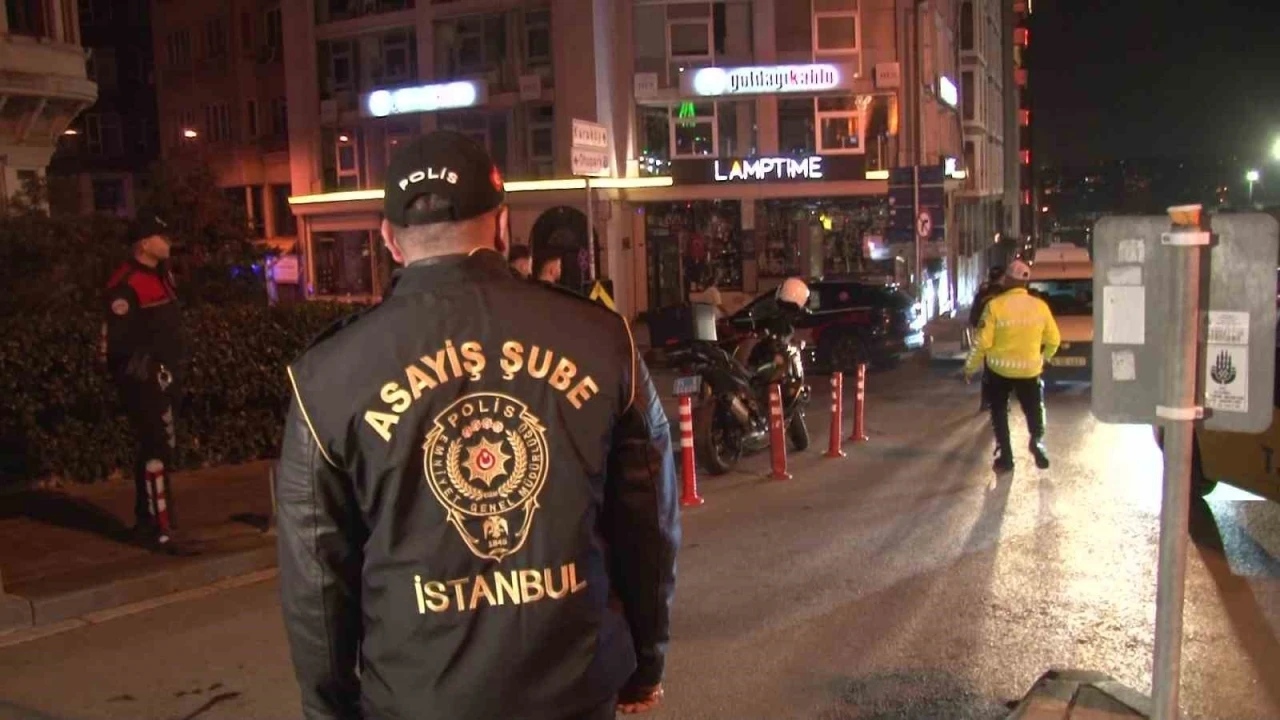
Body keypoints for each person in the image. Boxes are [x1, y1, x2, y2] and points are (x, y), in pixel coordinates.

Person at [276, 130, 680, 720]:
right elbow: (649, 526)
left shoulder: (327, 376)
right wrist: (644, 662)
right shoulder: (601, 340)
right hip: (574, 689)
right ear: (502, 224)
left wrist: (330, 711)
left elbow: (316, 580)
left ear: (388, 239)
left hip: (417, 701)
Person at [103, 211, 185, 547]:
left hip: (166, 376)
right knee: (155, 448)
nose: (168, 242)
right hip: (144, 380)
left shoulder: (163, 275)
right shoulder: (125, 284)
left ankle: (151, 520)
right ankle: (158, 527)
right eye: (162, 237)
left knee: (162, 448)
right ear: (144, 243)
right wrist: (148, 375)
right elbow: (121, 345)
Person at [963, 260, 1061, 473]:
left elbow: (981, 343)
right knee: (1034, 408)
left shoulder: (995, 306)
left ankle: (1006, 457)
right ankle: (1037, 440)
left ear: (1007, 280)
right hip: (1029, 370)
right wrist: (1043, 358)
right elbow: (1054, 340)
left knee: (999, 411)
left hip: (999, 371)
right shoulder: (1040, 306)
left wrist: (969, 367)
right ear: (1026, 283)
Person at [969, 265, 1006, 412]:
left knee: (989, 370)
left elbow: (973, 318)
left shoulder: (982, 294)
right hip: (1004, 337)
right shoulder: (1006, 294)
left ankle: (985, 402)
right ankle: (1002, 403)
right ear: (1002, 278)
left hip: (987, 338)